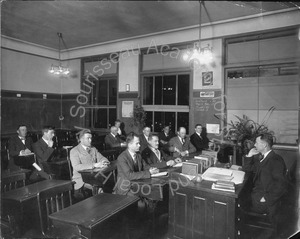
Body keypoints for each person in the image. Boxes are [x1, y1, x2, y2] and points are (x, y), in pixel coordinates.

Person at [243, 133, 287, 226]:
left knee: (238, 203)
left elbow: (281, 185)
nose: (254, 145)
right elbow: (248, 169)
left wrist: (266, 198)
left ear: (264, 145)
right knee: (240, 198)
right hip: (259, 195)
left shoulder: (275, 161)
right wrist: (250, 155)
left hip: (265, 203)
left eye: (256, 142)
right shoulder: (265, 158)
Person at [70, 129, 110, 197]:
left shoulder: (93, 149)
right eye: (88, 138)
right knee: (98, 188)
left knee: (109, 183)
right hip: (81, 179)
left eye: (91, 138)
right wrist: (94, 165)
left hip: (93, 177)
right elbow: (77, 167)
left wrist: (104, 162)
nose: (90, 140)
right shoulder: (74, 151)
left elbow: (101, 157)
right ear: (81, 139)